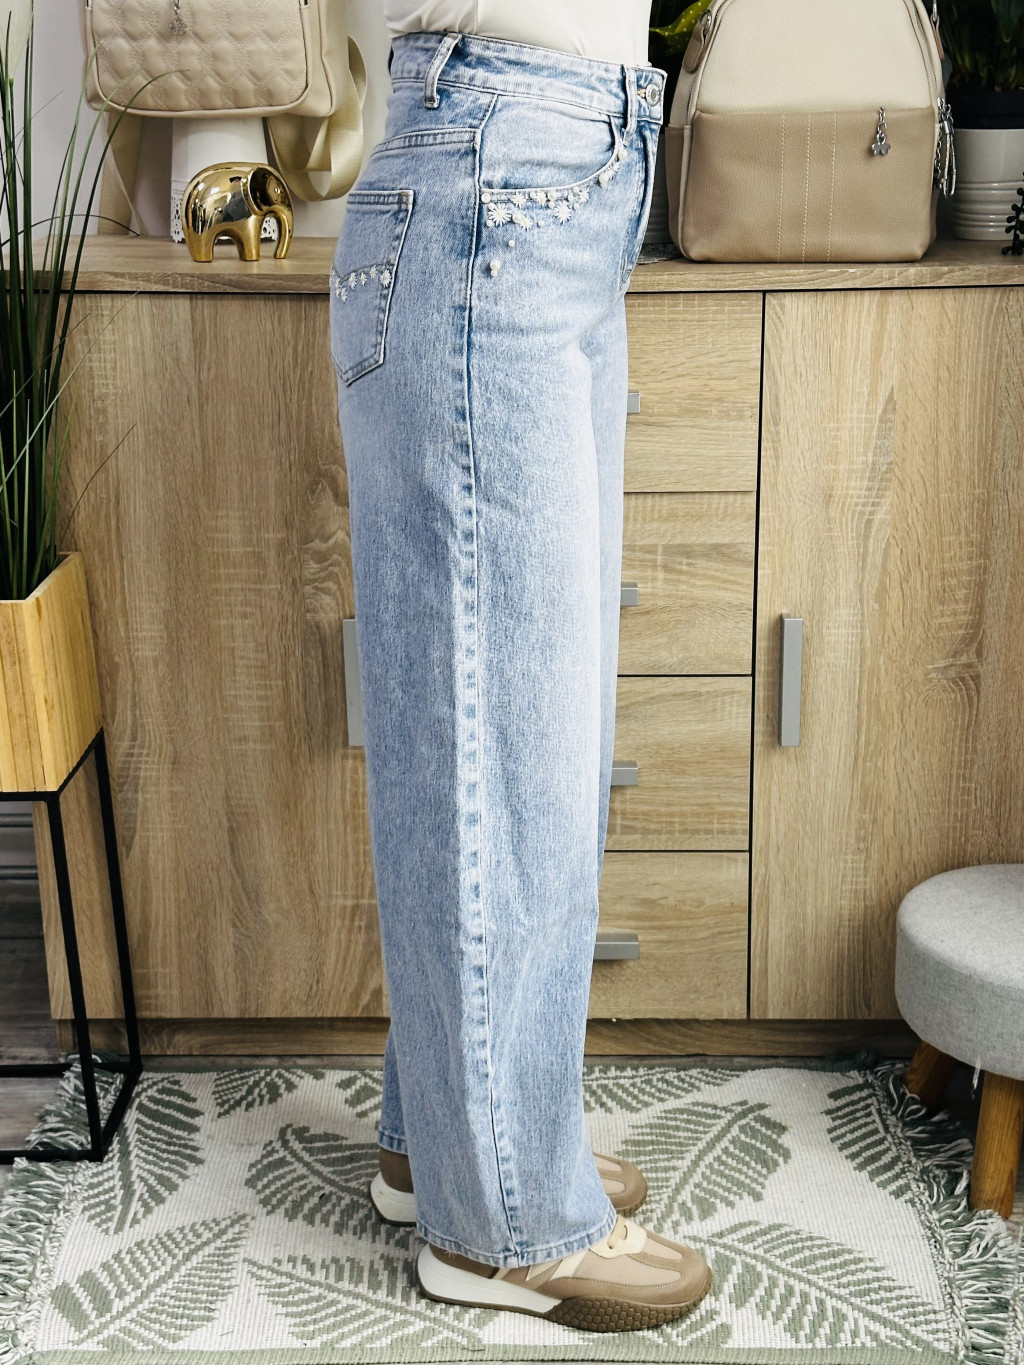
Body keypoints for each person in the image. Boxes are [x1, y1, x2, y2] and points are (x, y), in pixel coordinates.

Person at [328, 0, 712, 1332]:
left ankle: (446, 1142)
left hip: (557, 174)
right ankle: (498, 1226)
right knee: (508, 749)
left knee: (521, 727)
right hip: (500, 167)